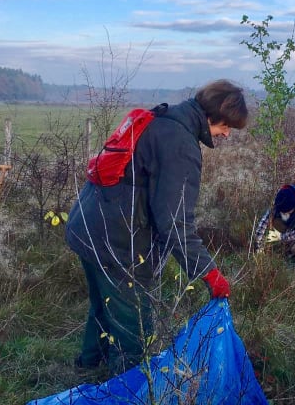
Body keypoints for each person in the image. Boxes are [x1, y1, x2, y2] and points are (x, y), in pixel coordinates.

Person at [65, 79, 248, 374]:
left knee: (104, 306)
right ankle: (125, 391)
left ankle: (88, 370)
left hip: (88, 226)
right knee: (133, 331)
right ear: (214, 116)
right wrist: (209, 274)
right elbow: (175, 221)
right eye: (227, 126)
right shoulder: (181, 145)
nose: (227, 133)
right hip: (116, 244)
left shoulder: (162, 118)